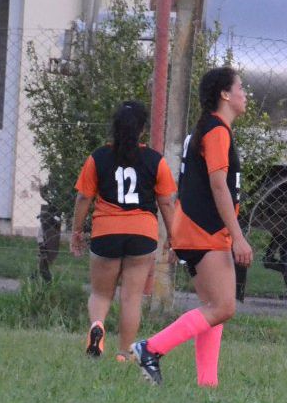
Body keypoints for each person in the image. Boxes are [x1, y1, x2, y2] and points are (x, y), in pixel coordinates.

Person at [131, 67, 253, 386]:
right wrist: (237, 237)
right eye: (240, 87)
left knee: (213, 307)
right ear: (225, 94)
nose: (244, 93)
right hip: (205, 231)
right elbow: (217, 186)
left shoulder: (208, 130)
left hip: (194, 229)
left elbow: (189, 185)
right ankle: (151, 348)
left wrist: (177, 237)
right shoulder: (215, 131)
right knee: (223, 307)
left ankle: (207, 383)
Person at [70, 101, 177, 361]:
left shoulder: (98, 157)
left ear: (115, 127)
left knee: (100, 293)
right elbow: (166, 201)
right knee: (131, 298)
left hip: (107, 230)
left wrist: (76, 231)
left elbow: (84, 197)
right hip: (142, 233)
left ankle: (97, 326)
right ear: (142, 129)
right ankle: (124, 354)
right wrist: (174, 237)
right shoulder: (156, 160)